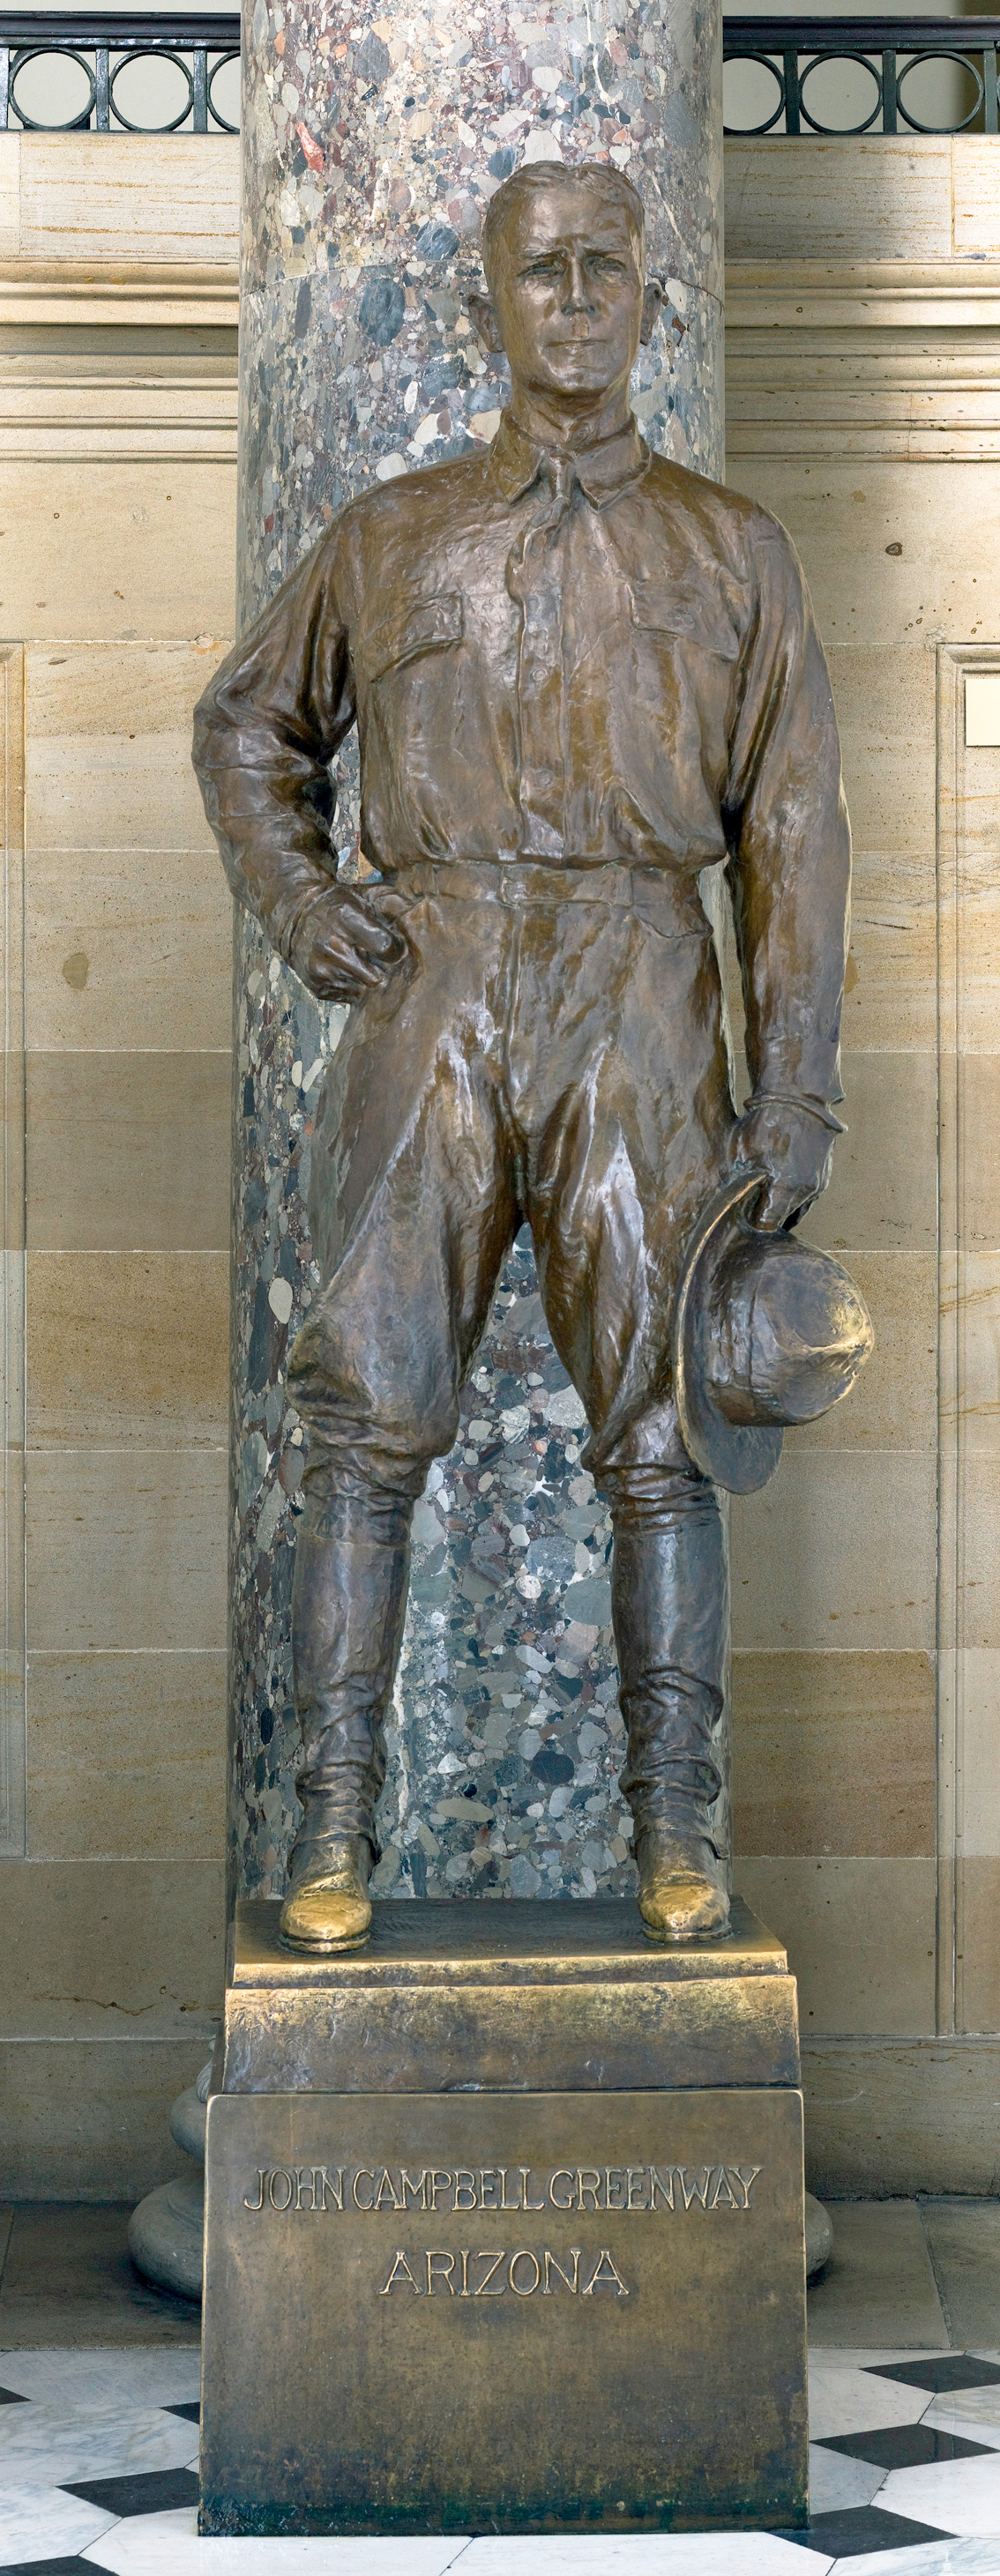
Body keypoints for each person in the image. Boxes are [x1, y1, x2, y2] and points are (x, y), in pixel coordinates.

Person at [193, 160, 851, 1955]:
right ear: (492, 300)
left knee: (665, 1432)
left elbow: (793, 833)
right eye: (540, 270)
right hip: (439, 985)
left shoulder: (736, 553)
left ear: (657, 299)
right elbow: (249, 728)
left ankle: (677, 1834)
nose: (572, 296)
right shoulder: (390, 536)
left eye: (604, 267)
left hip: (647, 983)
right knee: (364, 1416)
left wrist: (795, 1093)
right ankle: (331, 1832)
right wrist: (302, 896)